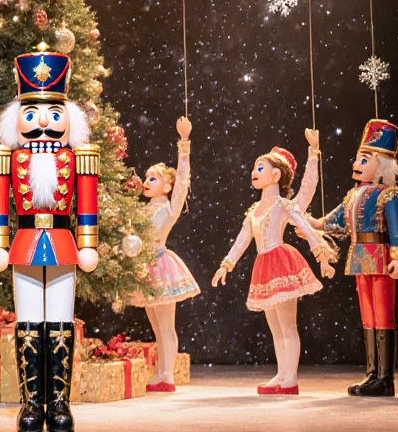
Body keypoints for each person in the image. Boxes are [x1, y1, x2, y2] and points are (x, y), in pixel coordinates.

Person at [0, 48, 99, 432]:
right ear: (17, 118)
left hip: (65, 241)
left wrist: (88, 242)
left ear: (68, 118)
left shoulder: (78, 157)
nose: (43, 124)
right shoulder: (8, 158)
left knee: (61, 321)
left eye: (53, 115)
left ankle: (60, 404)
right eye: (32, 114)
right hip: (25, 241)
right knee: (30, 321)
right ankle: (32, 403)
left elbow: (87, 204)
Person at [212, 133, 335, 395]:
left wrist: (322, 256)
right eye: (254, 168)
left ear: (276, 175)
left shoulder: (283, 205)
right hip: (264, 266)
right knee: (275, 326)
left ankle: (291, 378)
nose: (253, 172)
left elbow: (307, 228)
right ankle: (281, 374)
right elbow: (242, 239)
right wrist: (227, 264)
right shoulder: (253, 210)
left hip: (281, 260)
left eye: (260, 168)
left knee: (288, 324)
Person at [305, 119, 398, 397]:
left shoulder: (390, 195)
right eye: (359, 158)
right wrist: (311, 225)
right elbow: (334, 221)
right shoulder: (353, 195)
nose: (358, 163)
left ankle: (385, 378)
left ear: (382, 165)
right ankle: (372, 373)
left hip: (381, 256)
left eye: (365, 159)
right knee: (368, 316)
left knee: (383, 315)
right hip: (360, 256)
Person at [128, 116, 198, 393]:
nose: (147, 181)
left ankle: (167, 374)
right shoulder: (143, 210)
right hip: (145, 268)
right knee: (156, 327)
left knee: (166, 325)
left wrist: (184, 143)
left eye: (153, 178)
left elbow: (183, 180)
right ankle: (160, 372)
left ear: (166, 187)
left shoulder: (169, 207)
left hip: (161, 264)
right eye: (146, 178)